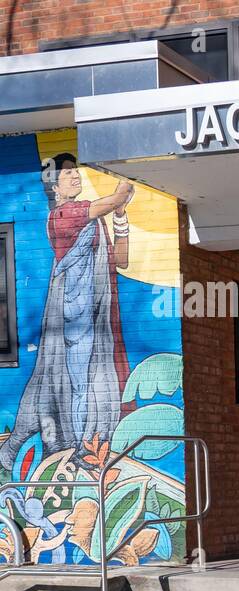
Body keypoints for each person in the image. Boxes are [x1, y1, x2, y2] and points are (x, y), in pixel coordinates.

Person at [0, 154, 135, 472]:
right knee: (70, 383)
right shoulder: (64, 215)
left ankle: (79, 447)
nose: (75, 177)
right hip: (70, 321)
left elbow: (121, 259)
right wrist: (130, 173)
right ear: (53, 184)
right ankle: (68, 448)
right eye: (68, 173)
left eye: (77, 172)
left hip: (92, 319)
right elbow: (116, 194)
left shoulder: (90, 218)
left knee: (84, 382)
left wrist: (120, 216)